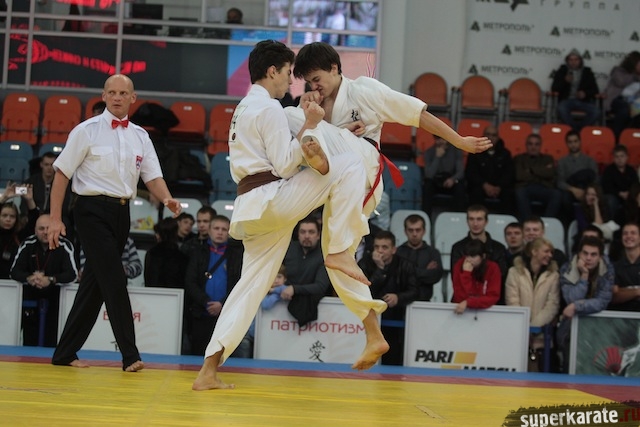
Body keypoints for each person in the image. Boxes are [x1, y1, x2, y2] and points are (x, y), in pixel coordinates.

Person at [192, 40, 389, 391]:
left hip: (251, 208)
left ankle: (208, 370)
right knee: (348, 164)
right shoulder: (269, 107)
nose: (290, 80)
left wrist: (319, 134)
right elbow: (285, 164)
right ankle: (340, 249)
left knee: (249, 287)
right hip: (272, 198)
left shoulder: (243, 107)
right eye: (286, 73)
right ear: (272, 71)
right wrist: (311, 124)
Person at [48, 74, 182, 372]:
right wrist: (55, 218)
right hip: (90, 210)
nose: (117, 97)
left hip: (122, 212)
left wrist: (167, 198)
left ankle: (64, 352)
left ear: (133, 98)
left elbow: (152, 175)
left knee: (95, 284)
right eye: (112, 92)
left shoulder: (140, 135)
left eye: (123, 93)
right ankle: (130, 355)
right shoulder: (86, 131)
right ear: (104, 96)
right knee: (114, 278)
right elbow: (62, 174)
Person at [293, 42, 492, 158]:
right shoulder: (313, 103)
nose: (313, 86)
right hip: (330, 174)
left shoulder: (364, 90)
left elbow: (417, 114)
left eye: (316, 79)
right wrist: (305, 113)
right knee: (290, 114)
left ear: (334, 68)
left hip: (361, 169)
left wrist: (459, 141)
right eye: (309, 82)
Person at [10, 214, 77, 347]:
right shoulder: (27, 244)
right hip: (30, 299)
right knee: (29, 341)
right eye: (41, 229)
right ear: (35, 230)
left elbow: (72, 274)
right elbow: (14, 271)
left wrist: (51, 279)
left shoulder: (65, 245)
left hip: (56, 302)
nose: (45, 232)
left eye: (48, 228)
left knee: (52, 341)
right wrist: (30, 278)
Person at [358, 230, 419, 365]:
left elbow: (415, 291)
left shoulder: (406, 265)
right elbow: (363, 291)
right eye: (377, 247)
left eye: (384, 247)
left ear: (393, 250)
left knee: (393, 358)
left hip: (397, 319)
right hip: (370, 319)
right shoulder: (365, 263)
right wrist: (380, 269)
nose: (380, 251)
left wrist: (398, 297)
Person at [184, 215, 242, 356]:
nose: (220, 232)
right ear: (209, 231)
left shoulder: (237, 255)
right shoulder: (198, 252)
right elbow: (190, 282)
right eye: (216, 228)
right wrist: (206, 302)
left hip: (226, 316)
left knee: (224, 357)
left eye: (224, 229)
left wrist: (222, 304)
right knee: (198, 356)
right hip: (200, 314)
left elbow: (239, 284)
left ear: (229, 233)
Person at [557, 236, 614, 373]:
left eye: (593, 254)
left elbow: (602, 302)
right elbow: (572, 298)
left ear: (600, 257)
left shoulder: (607, 270)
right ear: (579, 254)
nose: (588, 258)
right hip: (570, 329)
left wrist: (576, 306)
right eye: (585, 253)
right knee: (569, 370)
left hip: (598, 330)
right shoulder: (568, 268)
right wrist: (584, 275)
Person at [505, 237, 560, 370]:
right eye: (546, 251)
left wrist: (533, 327)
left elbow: (552, 305)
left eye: (551, 252)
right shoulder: (514, 272)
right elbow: (512, 300)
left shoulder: (554, 275)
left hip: (542, 335)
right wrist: (524, 326)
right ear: (534, 252)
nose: (550, 255)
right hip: (518, 334)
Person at [281, 216, 331, 327]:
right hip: (280, 311)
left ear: (318, 235)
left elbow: (320, 286)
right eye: (303, 232)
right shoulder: (287, 250)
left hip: (320, 318)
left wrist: (295, 289)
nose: (307, 236)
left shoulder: (325, 255)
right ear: (298, 234)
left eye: (311, 232)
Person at [450, 205, 507, 303]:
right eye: (471, 219)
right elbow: (456, 277)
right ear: (467, 221)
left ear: (486, 221)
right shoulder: (458, 247)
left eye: (479, 219)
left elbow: (501, 276)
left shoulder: (499, 248)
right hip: (463, 300)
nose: (475, 223)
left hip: (491, 302)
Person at [465, 125, 515, 213]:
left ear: (498, 137)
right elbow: (471, 172)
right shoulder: (475, 151)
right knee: (475, 192)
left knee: (509, 194)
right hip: (480, 185)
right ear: (483, 136)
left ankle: (504, 219)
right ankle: (476, 217)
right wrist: (485, 185)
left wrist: (499, 187)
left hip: (500, 187)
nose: (490, 137)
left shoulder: (505, 153)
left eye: (494, 135)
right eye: (488, 134)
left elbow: (509, 173)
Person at [513, 133, 562, 221]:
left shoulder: (548, 158)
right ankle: (528, 222)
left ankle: (547, 222)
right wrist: (541, 172)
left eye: (536, 144)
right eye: (530, 144)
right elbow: (519, 176)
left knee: (556, 194)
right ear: (526, 145)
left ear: (540, 146)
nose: (533, 147)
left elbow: (550, 173)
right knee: (519, 192)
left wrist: (531, 170)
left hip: (543, 188)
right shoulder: (519, 158)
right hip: (525, 188)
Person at [395, 214, 443, 301]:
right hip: (401, 301)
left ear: (424, 231)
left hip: (424, 301)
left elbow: (436, 276)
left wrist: (407, 273)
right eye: (411, 230)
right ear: (405, 231)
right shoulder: (398, 252)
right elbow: (396, 278)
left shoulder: (433, 253)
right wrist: (425, 271)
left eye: (418, 230)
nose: (414, 234)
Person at [551, 50, 600, 132]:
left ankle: (579, 129)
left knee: (596, 111)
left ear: (580, 61)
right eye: (571, 60)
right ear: (567, 61)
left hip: (583, 102)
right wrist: (564, 81)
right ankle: (575, 130)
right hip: (567, 100)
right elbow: (554, 88)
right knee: (561, 108)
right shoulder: (562, 70)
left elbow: (595, 90)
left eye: (576, 59)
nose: (573, 62)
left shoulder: (587, 72)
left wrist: (585, 93)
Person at [556, 130, 598, 222]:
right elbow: (560, 182)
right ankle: (570, 222)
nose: (573, 144)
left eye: (575, 141)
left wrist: (586, 192)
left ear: (580, 142)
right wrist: (573, 190)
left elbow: (595, 179)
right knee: (564, 198)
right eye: (570, 142)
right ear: (567, 144)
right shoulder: (562, 161)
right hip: (570, 190)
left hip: (587, 189)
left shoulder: (589, 160)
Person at [451, 239, 501, 314]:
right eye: (467, 256)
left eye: (473, 256)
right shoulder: (459, 266)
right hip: (462, 311)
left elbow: (493, 296)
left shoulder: (493, 268)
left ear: (483, 256)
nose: (469, 260)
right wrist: (466, 274)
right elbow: (459, 296)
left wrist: (469, 302)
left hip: (486, 312)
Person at [0, 186, 39, 278]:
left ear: (16, 219)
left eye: (12, 216)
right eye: (4, 215)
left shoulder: (20, 235)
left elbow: (34, 221)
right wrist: (4, 198)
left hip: (13, 281)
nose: (8, 219)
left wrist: (29, 200)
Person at [422, 136, 467, 215]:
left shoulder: (456, 151)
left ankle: (459, 216)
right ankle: (426, 217)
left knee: (460, 187)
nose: (441, 142)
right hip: (436, 180)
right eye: (438, 139)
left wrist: (453, 179)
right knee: (427, 186)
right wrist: (437, 157)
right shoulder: (429, 152)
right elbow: (429, 175)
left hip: (451, 180)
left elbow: (460, 172)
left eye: (443, 139)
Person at [603, 51, 640, 140]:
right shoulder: (618, 71)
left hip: (633, 102)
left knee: (637, 113)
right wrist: (635, 76)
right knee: (624, 110)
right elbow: (621, 81)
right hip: (616, 100)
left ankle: (630, 137)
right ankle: (615, 136)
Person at [144, 217, 188, 288]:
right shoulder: (182, 256)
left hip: (154, 293)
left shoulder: (152, 253)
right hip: (175, 293)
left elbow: (149, 280)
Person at [77, 236, 142, 283]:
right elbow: (83, 270)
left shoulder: (127, 240)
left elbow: (138, 266)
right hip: (94, 285)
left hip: (119, 286)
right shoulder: (88, 241)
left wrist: (124, 270)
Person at [602, 145, 639, 221]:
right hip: (614, 196)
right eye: (617, 157)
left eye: (622, 156)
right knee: (611, 200)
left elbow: (635, 185)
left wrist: (629, 193)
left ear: (627, 157)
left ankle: (633, 222)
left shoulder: (631, 170)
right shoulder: (609, 170)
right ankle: (612, 223)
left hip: (629, 195)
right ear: (613, 158)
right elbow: (606, 187)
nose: (619, 159)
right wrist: (619, 193)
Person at [608, 222, 640, 312]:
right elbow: (614, 296)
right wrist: (637, 292)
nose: (628, 236)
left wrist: (623, 291)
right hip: (622, 316)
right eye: (625, 233)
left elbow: (618, 292)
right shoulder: (615, 266)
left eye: (633, 233)